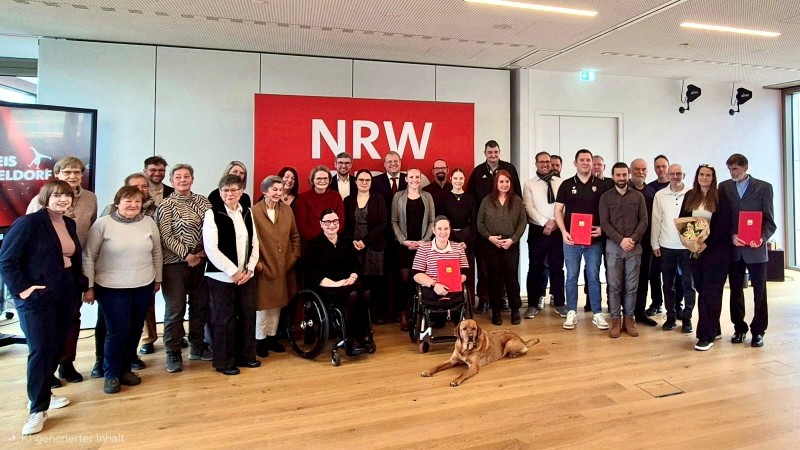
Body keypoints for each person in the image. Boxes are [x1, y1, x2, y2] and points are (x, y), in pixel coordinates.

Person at [0, 181, 86, 435]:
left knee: (57, 346)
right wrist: (23, 290)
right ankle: (37, 410)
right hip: (37, 296)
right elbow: (6, 260)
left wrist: (78, 285)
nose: (62, 200)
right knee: (40, 349)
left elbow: (70, 258)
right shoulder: (29, 223)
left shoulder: (68, 223)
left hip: (65, 292)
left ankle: (44, 392)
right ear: (45, 197)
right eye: (57, 195)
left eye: (66, 196)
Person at [83, 186, 162, 393]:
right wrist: (88, 286)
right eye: (128, 201)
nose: (133, 205)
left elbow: (157, 253)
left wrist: (158, 279)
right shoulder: (103, 224)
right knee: (117, 332)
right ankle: (111, 374)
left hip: (143, 285)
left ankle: (126, 370)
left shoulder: (149, 223)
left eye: (137, 201)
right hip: (111, 288)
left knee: (135, 329)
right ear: (117, 203)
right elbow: (88, 256)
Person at [26, 156, 97, 386]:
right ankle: (48, 368)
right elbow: (28, 236)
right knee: (49, 322)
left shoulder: (90, 198)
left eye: (77, 172)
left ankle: (67, 363)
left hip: (75, 269)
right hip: (47, 270)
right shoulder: (40, 200)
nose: (72, 176)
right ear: (57, 175)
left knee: (72, 318)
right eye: (67, 172)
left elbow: (90, 233)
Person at [154, 164, 212, 373]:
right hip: (174, 264)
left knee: (200, 305)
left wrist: (203, 252)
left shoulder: (203, 202)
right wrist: (187, 255)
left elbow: (212, 229)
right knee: (175, 309)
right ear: (171, 181)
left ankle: (197, 345)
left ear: (192, 179)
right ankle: (173, 351)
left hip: (201, 261)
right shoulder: (166, 205)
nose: (183, 180)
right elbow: (165, 236)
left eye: (187, 176)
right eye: (178, 177)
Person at [203, 175, 260, 375]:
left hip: (246, 275)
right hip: (221, 276)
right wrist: (233, 272)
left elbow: (254, 242)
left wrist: (250, 268)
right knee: (224, 318)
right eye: (225, 190)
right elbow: (211, 249)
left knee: (247, 314)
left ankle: (247, 356)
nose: (230, 194)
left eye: (234, 190)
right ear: (220, 193)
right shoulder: (212, 214)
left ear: (241, 192)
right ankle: (224, 362)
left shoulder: (247, 212)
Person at [719, 154, 776, 347]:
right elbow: (723, 219)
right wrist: (732, 236)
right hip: (735, 249)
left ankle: (758, 331)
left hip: (756, 250)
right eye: (729, 169)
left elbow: (770, 221)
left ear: (745, 167)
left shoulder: (764, 188)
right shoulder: (724, 187)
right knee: (735, 291)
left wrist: (762, 238)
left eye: (735, 168)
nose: (732, 172)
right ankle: (739, 328)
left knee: (759, 292)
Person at [305, 209, 373, 354]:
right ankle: (349, 336)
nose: (332, 225)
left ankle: (360, 335)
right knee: (353, 295)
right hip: (327, 287)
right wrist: (338, 283)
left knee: (366, 293)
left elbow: (356, 266)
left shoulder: (346, 242)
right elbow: (313, 275)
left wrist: (352, 278)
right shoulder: (314, 245)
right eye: (327, 222)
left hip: (348, 284)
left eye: (335, 221)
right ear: (321, 224)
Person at [554, 149, 608, 331]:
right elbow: (558, 210)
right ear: (575, 163)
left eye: (588, 160)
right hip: (571, 241)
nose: (585, 163)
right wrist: (563, 232)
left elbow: (609, 211)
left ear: (593, 163)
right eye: (582, 160)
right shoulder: (566, 185)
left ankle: (597, 313)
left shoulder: (602, 185)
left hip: (594, 241)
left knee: (593, 276)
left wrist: (602, 229)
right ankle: (571, 312)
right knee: (571, 276)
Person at [680, 165, 732, 351]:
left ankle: (705, 336)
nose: (704, 177)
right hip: (696, 251)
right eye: (701, 174)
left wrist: (706, 243)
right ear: (697, 177)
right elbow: (684, 220)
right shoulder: (690, 195)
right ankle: (715, 328)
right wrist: (694, 242)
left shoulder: (720, 197)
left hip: (717, 252)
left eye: (708, 175)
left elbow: (724, 225)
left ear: (713, 178)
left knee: (711, 292)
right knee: (703, 291)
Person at [467, 140, 522, 313]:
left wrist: (514, 234)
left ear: (499, 152)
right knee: (484, 268)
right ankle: (484, 299)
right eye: (490, 152)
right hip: (485, 232)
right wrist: (480, 229)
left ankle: (502, 299)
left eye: (496, 152)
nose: (493, 155)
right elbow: (471, 200)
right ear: (485, 153)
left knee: (507, 270)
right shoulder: (478, 172)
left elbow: (517, 195)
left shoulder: (509, 169)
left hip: (508, 232)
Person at [253, 176, 301, 357]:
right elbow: (249, 240)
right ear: (264, 191)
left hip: (285, 265)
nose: (278, 193)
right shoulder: (254, 211)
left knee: (278, 304)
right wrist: (257, 263)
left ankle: (272, 337)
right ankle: (260, 340)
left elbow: (294, 235)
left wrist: (295, 256)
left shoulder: (287, 210)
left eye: (280, 190)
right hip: (264, 266)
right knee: (263, 305)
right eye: (274, 189)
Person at [599, 163, 648, 338]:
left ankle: (629, 320)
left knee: (632, 287)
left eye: (624, 175)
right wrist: (621, 240)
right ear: (613, 176)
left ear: (628, 175)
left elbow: (644, 221)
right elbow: (604, 223)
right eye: (618, 175)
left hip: (634, 247)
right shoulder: (605, 197)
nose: (621, 178)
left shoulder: (638, 196)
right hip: (614, 247)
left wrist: (632, 239)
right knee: (614, 287)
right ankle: (615, 321)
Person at [477, 170, 527, 326]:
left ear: (511, 183)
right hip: (492, 245)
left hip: (510, 245)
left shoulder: (517, 201)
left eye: (507, 181)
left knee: (511, 278)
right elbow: (480, 223)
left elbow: (522, 222)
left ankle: (515, 310)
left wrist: (512, 239)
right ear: (496, 183)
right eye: (501, 181)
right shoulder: (487, 200)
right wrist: (490, 238)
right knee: (494, 279)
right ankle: (496, 311)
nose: (504, 184)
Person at [651, 164, 696, 332]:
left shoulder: (692, 193)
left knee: (688, 285)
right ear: (668, 175)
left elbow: (696, 220)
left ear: (684, 175)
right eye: (672, 174)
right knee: (668, 284)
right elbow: (656, 220)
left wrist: (695, 244)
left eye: (679, 173)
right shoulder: (660, 195)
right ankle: (670, 317)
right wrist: (655, 243)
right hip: (666, 245)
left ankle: (687, 318)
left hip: (687, 247)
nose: (675, 176)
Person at [392, 168, 435, 330]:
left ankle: (419, 312)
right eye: (411, 177)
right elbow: (394, 221)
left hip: (423, 246)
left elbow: (432, 221)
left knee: (420, 278)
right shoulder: (398, 196)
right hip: (404, 246)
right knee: (404, 280)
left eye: (417, 177)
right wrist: (404, 241)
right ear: (406, 179)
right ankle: (403, 313)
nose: (414, 180)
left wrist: (424, 241)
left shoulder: (427, 196)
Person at [523, 152, 565, 319]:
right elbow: (528, 207)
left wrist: (555, 222)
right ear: (536, 164)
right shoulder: (529, 184)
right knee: (535, 268)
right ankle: (532, 305)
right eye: (541, 162)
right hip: (537, 230)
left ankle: (560, 303)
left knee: (557, 268)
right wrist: (545, 222)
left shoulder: (561, 182)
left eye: (547, 162)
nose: (545, 164)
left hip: (557, 230)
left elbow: (564, 206)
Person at [140, 157, 174, 356]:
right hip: (145, 249)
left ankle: (174, 334)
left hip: (170, 251)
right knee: (147, 297)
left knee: (173, 297)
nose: (157, 173)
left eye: (161, 170)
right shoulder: (137, 192)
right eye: (153, 170)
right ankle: (148, 338)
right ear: (145, 170)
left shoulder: (172, 192)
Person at [344, 170, 388, 323]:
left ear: (371, 182)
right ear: (355, 182)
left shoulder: (378, 198)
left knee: (375, 281)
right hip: (355, 246)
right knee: (358, 279)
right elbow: (345, 225)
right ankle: (360, 315)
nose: (364, 182)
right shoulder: (348, 200)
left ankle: (378, 314)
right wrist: (353, 241)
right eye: (361, 180)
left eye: (367, 180)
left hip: (374, 245)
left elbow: (383, 223)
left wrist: (365, 241)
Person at [439, 168, 477, 309]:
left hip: (467, 239)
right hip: (449, 238)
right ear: (451, 179)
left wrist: (466, 242)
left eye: (461, 178)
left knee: (467, 271)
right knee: (451, 272)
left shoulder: (470, 199)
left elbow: (474, 222)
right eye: (455, 178)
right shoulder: (445, 198)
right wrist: (451, 240)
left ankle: (468, 304)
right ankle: (452, 302)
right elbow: (442, 220)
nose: (458, 181)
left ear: (464, 180)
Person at [412, 215, 470, 307]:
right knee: (431, 294)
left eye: (446, 229)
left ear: (450, 230)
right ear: (433, 230)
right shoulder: (424, 248)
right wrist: (434, 284)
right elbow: (416, 274)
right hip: (431, 288)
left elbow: (465, 272)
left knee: (460, 294)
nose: (443, 232)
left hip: (453, 289)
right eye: (439, 229)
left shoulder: (458, 248)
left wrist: (453, 283)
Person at [627, 158, 658, 327]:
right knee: (625, 280)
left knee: (643, 278)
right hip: (626, 242)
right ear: (630, 171)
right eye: (636, 169)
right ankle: (625, 314)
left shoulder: (652, 192)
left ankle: (639, 312)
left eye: (643, 169)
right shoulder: (623, 189)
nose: (640, 172)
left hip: (646, 243)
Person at [645, 154, 672, 316]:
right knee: (654, 274)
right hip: (654, 238)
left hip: (672, 238)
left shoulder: (676, 187)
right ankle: (656, 303)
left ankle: (675, 306)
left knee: (674, 276)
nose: (661, 169)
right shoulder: (650, 189)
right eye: (658, 167)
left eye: (664, 166)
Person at [294, 165, 345, 245]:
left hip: (332, 242)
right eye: (319, 178)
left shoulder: (336, 196)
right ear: (312, 180)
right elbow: (302, 225)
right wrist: (318, 241)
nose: (322, 181)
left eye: (325, 178)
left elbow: (340, 222)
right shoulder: (303, 198)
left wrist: (330, 239)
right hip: (311, 243)